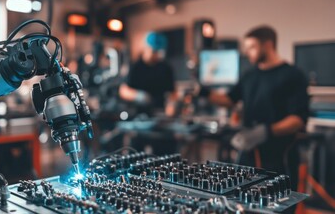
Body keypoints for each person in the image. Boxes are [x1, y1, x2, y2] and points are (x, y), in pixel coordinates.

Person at [197, 26, 309, 189]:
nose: (247, 52)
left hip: (279, 156)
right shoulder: (250, 75)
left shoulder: (292, 75)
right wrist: (204, 92)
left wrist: (265, 132)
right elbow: (229, 100)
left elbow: (298, 120)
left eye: (252, 47)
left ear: (268, 45)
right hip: (248, 152)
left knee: (278, 205)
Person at [119, 32, 177, 116]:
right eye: (154, 51)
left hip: (159, 113)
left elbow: (173, 92)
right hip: (137, 114)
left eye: (159, 52)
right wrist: (139, 96)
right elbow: (123, 91)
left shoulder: (166, 68)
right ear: (146, 48)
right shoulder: (135, 67)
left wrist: (172, 105)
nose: (157, 55)